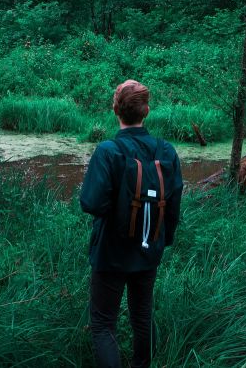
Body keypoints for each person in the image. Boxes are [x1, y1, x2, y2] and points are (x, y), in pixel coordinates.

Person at [80, 79, 183, 367]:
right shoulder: (166, 151)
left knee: (103, 324)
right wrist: (163, 241)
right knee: (141, 317)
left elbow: (90, 203)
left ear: (116, 110)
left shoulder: (108, 151)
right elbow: (173, 205)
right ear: (146, 111)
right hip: (149, 250)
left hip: (111, 253)